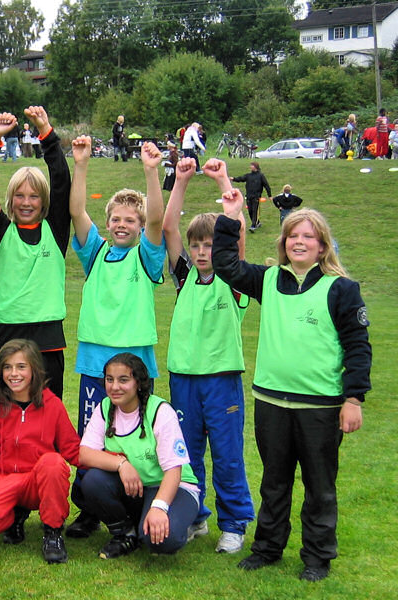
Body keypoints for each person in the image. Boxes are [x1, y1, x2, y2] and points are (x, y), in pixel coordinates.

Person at [213, 193, 371, 582]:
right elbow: (225, 265)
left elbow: (358, 347)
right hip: (271, 401)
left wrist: (353, 398)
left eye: (308, 236)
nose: (299, 242)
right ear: (283, 244)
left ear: (322, 246)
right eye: (291, 236)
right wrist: (230, 218)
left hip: (320, 408)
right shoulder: (268, 280)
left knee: (320, 487)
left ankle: (317, 557)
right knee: (274, 482)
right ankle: (267, 548)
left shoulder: (341, 289)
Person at [65, 136, 166, 538]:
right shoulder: (96, 254)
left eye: (131, 220)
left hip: (135, 363)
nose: (122, 225)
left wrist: (150, 171)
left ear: (140, 227)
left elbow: (158, 219)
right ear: (108, 223)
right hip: (95, 363)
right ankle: (91, 508)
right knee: (94, 436)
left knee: (138, 438)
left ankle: (142, 506)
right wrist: (82, 164)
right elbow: (76, 211)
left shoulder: (146, 255)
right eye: (116, 219)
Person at [162, 156, 254, 554]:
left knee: (228, 454)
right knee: (187, 453)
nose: (202, 252)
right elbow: (168, 228)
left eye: (211, 245)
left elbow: (240, 233)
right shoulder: (183, 278)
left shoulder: (234, 280)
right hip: (184, 379)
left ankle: (234, 524)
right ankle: (195, 517)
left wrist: (222, 181)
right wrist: (180, 180)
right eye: (197, 244)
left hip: (221, 381)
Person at [0, 107, 72, 402]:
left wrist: (47, 133)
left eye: (34, 196)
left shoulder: (55, 229)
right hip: (4, 333)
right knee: (0, 414)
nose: (26, 202)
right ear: (10, 199)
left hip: (47, 336)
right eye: (20, 195)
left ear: (44, 201)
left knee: (46, 415)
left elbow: (62, 181)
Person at [0, 339, 81, 564]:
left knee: (53, 462)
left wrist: (118, 463)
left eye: (21, 367)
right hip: (3, 478)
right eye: (7, 367)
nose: (13, 374)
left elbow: (73, 450)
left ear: (34, 368)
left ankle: (52, 533)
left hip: (36, 480)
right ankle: (13, 516)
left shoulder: (52, 405)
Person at [79, 353, 200, 558]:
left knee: (162, 542)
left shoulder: (160, 411)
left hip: (170, 487)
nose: (115, 386)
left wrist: (159, 507)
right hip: (136, 489)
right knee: (92, 481)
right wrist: (121, 464)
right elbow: (84, 454)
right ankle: (126, 533)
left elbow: (173, 471)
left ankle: (172, 522)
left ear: (139, 383)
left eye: (123, 380)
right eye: (110, 379)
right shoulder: (105, 408)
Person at [232, 161, 270, 233]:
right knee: (250, 211)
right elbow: (241, 178)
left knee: (255, 210)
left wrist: (269, 195)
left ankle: (253, 226)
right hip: (249, 196)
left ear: (255, 167)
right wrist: (233, 179)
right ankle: (257, 222)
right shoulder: (248, 175)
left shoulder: (261, 176)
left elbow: (266, 185)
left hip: (256, 197)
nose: (250, 167)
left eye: (251, 165)